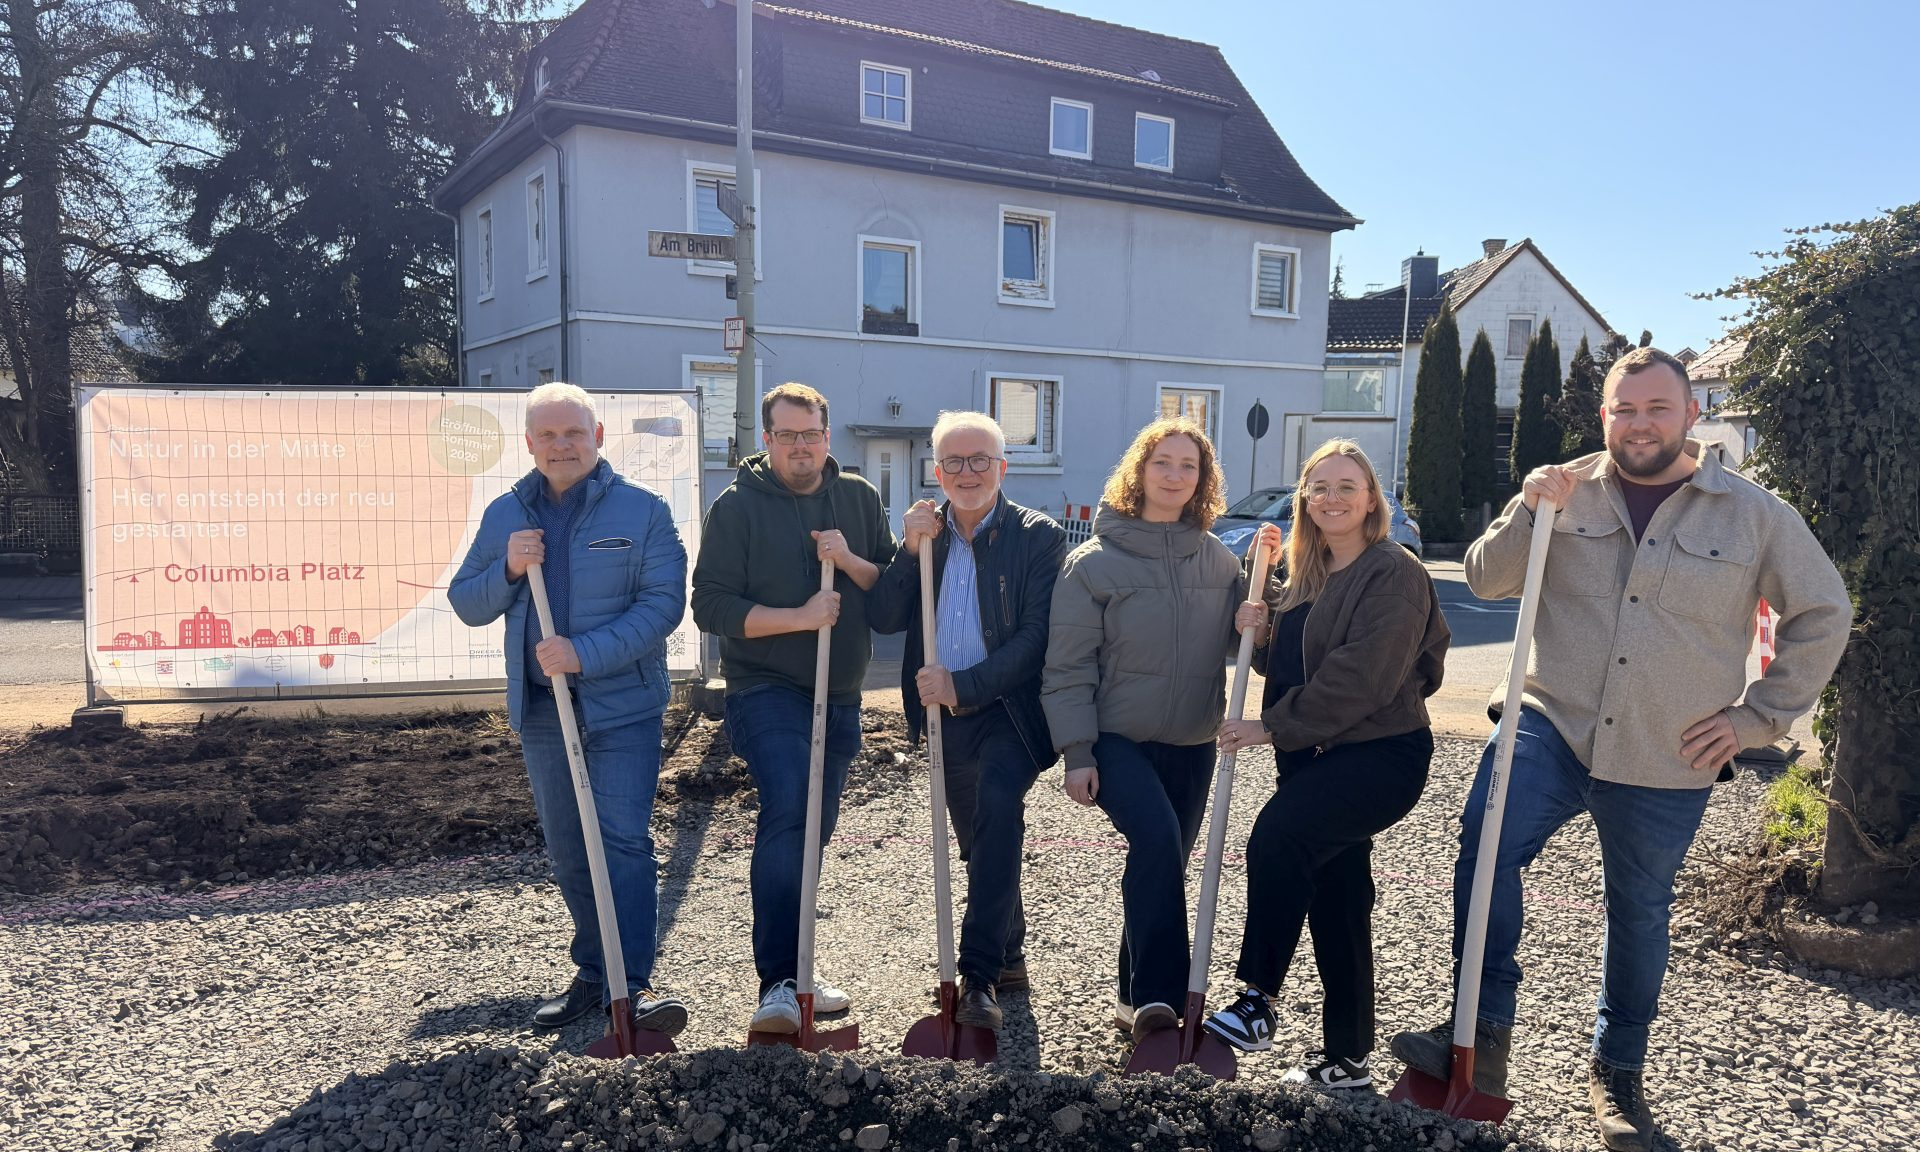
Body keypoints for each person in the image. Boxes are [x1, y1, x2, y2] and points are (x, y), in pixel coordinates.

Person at [1389, 348, 1851, 1152]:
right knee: (1485, 843)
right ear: (1603, 416)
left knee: (1638, 911)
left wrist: (1756, 721)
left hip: (1669, 749)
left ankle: (1618, 1073)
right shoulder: (1561, 488)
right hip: (1551, 721)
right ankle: (1482, 1030)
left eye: (1657, 409)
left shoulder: (1753, 515)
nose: (1640, 424)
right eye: (1624, 409)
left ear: (1691, 415)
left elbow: (1823, 612)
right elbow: (1485, 578)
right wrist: (1529, 511)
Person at [1198, 439, 1450, 1090]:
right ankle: (1348, 1060)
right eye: (1319, 486)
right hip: (1309, 757)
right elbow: (1287, 668)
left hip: (1377, 756)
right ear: (1304, 499)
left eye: (1347, 486)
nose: (1332, 497)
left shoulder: (1393, 572)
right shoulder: (1305, 578)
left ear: (1373, 500)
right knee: (1339, 899)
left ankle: (1257, 1002)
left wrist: (1270, 727)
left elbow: (1361, 679)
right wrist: (1257, 626)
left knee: (1278, 838)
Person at [449, 381, 690, 1035]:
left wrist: (583, 653)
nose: (562, 446)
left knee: (621, 842)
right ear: (530, 444)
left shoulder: (643, 513)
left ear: (598, 438)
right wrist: (504, 567)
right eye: (548, 436)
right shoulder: (505, 514)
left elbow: (663, 606)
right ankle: (595, 972)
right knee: (568, 851)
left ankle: (631, 987)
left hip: (623, 709)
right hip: (542, 714)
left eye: (574, 433)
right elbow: (464, 600)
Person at [689, 381, 896, 1034]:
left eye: (811, 434)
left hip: (838, 694)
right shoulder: (736, 509)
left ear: (827, 438)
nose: (800, 447)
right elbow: (711, 607)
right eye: (786, 436)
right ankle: (777, 980)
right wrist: (799, 618)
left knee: (814, 828)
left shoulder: (858, 498)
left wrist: (850, 559)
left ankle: (800, 967)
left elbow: (889, 597)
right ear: (768, 440)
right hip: (764, 689)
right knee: (789, 805)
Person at [1041, 416, 1247, 1041]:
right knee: (1156, 842)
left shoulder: (1219, 559)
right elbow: (1068, 664)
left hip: (1191, 740)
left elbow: (1249, 642)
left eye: (1189, 466)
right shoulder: (1093, 564)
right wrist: (1077, 751)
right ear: (1140, 470)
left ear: (1202, 480)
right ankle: (1164, 999)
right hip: (1115, 738)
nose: (1175, 476)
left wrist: (1265, 600)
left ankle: (1133, 999)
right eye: (1163, 463)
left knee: (1165, 861)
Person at [867, 411, 1066, 1030]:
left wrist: (965, 684)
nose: (967, 471)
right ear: (937, 470)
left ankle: (976, 978)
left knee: (997, 806)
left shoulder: (1039, 537)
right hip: (939, 715)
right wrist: (906, 550)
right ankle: (1008, 954)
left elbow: (1034, 637)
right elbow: (886, 615)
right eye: (953, 461)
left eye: (980, 459)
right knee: (978, 838)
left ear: (1003, 468)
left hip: (1010, 709)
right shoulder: (925, 535)